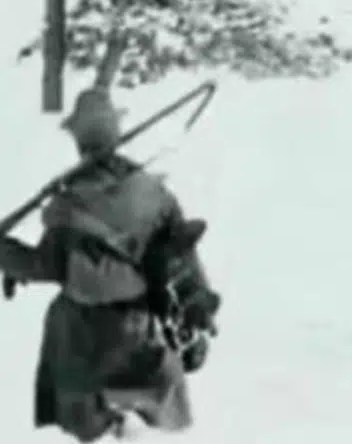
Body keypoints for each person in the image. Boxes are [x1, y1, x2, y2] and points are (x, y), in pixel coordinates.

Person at [0, 88, 220, 441]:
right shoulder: (154, 192)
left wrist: (5, 253)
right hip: (138, 325)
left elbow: (45, 267)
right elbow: (183, 253)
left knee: (86, 404)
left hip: (82, 335)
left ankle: (105, 424)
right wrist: (199, 310)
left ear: (79, 140)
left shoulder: (67, 203)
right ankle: (129, 422)